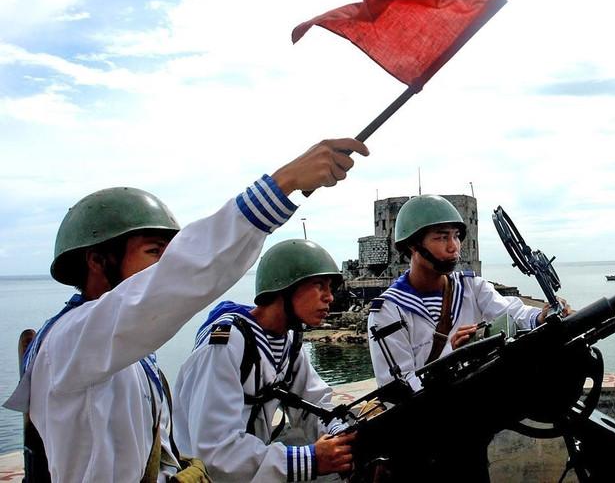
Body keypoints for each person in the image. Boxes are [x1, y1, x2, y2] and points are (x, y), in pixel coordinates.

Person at [3, 137, 368, 483]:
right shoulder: (71, 342)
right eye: (154, 251)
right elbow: (181, 276)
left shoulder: (122, 353)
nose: (166, 265)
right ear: (98, 261)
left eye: (169, 253)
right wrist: (283, 183)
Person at [173, 239, 355, 482]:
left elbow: (313, 404)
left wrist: (339, 431)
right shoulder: (226, 345)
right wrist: (309, 460)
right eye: (319, 285)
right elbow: (215, 450)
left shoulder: (287, 342)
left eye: (330, 287)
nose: (329, 297)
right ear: (285, 288)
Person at [367, 194, 569, 391]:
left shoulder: (471, 287)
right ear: (413, 245)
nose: (453, 247)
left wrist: (540, 317)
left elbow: (511, 314)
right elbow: (398, 389)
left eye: (456, 236)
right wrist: (453, 358)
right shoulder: (389, 311)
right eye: (442, 237)